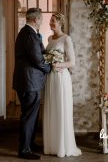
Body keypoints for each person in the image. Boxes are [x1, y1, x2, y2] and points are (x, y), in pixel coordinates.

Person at [13, 8, 52, 160]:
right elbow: (37, 60)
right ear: (35, 20)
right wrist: (50, 68)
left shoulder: (27, 33)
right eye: (41, 19)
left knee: (31, 116)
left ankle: (29, 143)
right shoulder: (29, 34)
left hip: (28, 81)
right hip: (29, 82)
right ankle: (24, 149)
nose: (42, 21)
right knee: (29, 116)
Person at [43, 12, 82, 157]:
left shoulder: (66, 39)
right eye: (50, 21)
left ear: (60, 23)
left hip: (60, 77)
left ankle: (62, 146)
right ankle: (51, 145)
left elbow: (72, 62)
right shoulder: (49, 38)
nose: (51, 23)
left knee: (60, 109)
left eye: (53, 21)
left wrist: (58, 64)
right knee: (52, 109)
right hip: (50, 78)